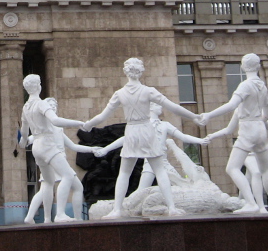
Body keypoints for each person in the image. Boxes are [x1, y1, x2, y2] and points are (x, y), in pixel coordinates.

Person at [83, 58, 200, 218]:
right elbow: (172, 107)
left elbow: (102, 116)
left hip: (132, 131)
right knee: (159, 170)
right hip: (146, 130)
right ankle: (171, 207)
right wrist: (194, 116)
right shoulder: (148, 91)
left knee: (124, 173)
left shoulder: (120, 94)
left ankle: (117, 210)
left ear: (126, 72)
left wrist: (89, 124)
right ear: (141, 71)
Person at [197, 53, 268, 214]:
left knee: (232, 168)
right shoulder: (263, 87)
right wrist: (258, 121)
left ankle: (251, 203)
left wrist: (209, 115)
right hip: (260, 129)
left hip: (248, 128)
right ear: (258, 66)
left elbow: (231, 106)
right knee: (265, 170)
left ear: (243, 67)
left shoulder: (245, 86)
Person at [95, 102, 209, 191]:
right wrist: (106, 149)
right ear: (151, 108)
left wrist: (200, 141)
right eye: (158, 106)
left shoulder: (165, 125)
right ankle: (124, 206)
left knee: (180, 185)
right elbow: (126, 139)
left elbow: (183, 137)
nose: (161, 108)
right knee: (141, 191)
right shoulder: (142, 125)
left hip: (163, 163)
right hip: (149, 163)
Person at [24, 97, 102, 224]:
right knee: (58, 185)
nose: (53, 107)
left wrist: (92, 149)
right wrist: (27, 140)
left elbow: (73, 146)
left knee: (55, 188)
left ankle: (43, 218)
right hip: (54, 159)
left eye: (55, 105)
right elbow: (35, 137)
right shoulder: (46, 126)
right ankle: (60, 215)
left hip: (57, 159)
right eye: (50, 105)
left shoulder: (57, 129)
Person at [19, 75, 85, 223]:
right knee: (68, 175)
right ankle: (60, 214)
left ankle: (47, 220)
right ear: (38, 86)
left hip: (36, 147)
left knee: (48, 182)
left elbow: (24, 132)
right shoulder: (41, 104)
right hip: (47, 143)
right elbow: (55, 120)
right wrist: (78, 123)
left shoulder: (26, 107)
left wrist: (23, 141)